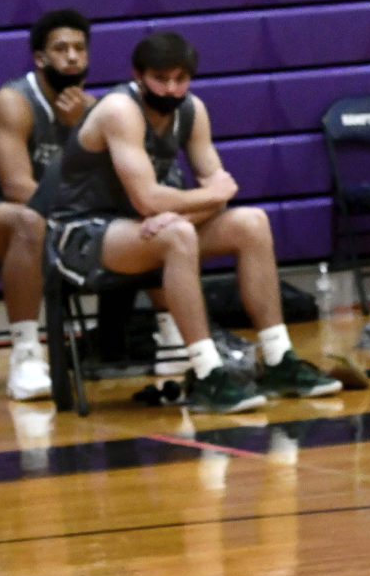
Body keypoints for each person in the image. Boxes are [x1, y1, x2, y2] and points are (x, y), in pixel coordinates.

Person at [46, 30, 342, 414]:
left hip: (150, 228)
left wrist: (182, 208)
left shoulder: (192, 111)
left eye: (180, 79)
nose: (171, 89)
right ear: (138, 75)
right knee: (180, 234)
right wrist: (193, 205)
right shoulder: (119, 110)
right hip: (82, 234)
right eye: (161, 79)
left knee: (251, 222)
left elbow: (217, 193)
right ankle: (205, 374)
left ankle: (278, 359)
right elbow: (155, 197)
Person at [0, 7, 93, 400]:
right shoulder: (13, 102)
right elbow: (17, 188)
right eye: (61, 49)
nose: (73, 57)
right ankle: (26, 355)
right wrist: (73, 133)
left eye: (80, 48)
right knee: (28, 220)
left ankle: (165, 339)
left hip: (52, 219)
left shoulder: (90, 109)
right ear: (40, 58)